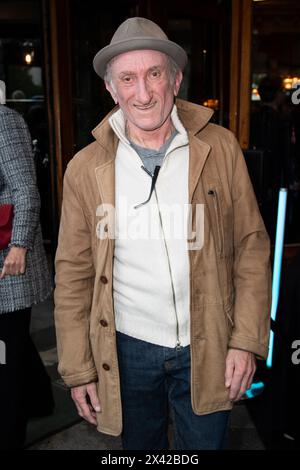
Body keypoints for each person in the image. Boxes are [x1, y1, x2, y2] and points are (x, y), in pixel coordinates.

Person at [54, 17, 271, 450]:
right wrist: (79, 369)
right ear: (111, 90)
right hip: (126, 350)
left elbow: (251, 246)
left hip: (207, 343)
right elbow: (73, 274)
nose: (143, 92)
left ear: (175, 79)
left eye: (154, 74)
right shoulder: (84, 168)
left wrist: (246, 341)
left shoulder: (221, 148)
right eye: (128, 79)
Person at [0, 104, 53, 450]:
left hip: (7, 266)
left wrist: (19, 244)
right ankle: (41, 400)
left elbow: (25, 188)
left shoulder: (3, 120)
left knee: (5, 363)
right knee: (12, 349)